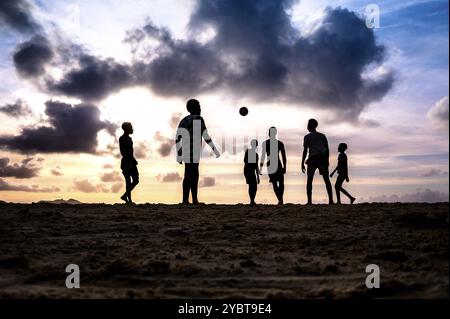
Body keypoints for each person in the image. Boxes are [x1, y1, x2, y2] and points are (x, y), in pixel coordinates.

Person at [175, 99, 220, 204]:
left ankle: (186, 200)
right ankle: (192, 200)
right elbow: (205, 135)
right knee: (193, 175)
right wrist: (213, 148)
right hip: (193, 151)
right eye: (199, 106)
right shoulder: (198, 119)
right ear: (195, 108)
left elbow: (177, 137)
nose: (200, 109)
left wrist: (179, 152)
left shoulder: (184, 120)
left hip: (186, 150)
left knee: (190, 174)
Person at [301, 119, 333, 205]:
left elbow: (305, 150)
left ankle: (309, 201)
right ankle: (331, 200)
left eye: (308, 125)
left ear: (310, 126)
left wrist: (302, 162)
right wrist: (327, 160)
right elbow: (327, 149)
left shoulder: (307, 137)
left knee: (309, 180)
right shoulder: (322, 136)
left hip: (312, 159)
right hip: (322, 158)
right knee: (326, 180)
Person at [260, 127, 287, 205]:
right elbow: (284, 156)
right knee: (279, 182)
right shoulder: (278, 143)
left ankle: (280, 200)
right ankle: (280, 200)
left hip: (272, 163)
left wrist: (261, 168)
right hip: (275, 163)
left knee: (277, 183)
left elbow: (263, 156)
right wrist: (285, 166)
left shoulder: (268, 143)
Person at [119, 122, 139, 204]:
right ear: (126, 129)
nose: (132, 129)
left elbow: (131, 151)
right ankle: (129, 200)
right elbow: (123, 151)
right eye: (131, 127)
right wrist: (128, 162)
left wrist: (133, 160)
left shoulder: (129, 139)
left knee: (135, 180)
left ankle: (125, 196)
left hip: (131, 160)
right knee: (128, 180)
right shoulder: (122, 138)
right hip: (126, 162)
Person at [244, 139, 260, 205]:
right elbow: (245, 160)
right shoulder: (248, 151)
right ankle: (252, 200)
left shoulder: (256, 155)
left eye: (255, 144)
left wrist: (258, 177)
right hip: (247, 170)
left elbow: (256, 166)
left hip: (252, 171)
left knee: (255, 187)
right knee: (251, 185)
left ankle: (252, 200)